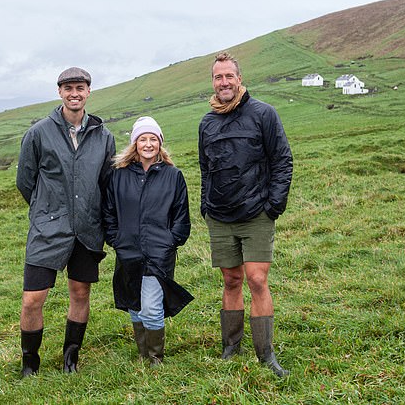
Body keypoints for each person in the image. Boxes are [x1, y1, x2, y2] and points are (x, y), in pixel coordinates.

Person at [16, 67, 116, 376]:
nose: (74, 93)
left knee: (80, 293)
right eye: (68, 87)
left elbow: (106, 182)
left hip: (87, 229)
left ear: (89, 92)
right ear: (60, 92)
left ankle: (70, 358)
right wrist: (47, 211)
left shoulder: (103, 136)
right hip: (48, 229)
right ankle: (30, 361)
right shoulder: (39, 132)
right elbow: (26, 181)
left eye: (80, 87)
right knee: (33, 299)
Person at [198, 52, 293, 377]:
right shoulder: (207, 122)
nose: (223, 82)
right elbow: (205, 169)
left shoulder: (263, 113)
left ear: (239, 79)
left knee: (256, 279)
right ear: (213, 82)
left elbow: (282, 160)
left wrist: (273, 206)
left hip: (256, 214)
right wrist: (205, 205)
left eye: (228, 76)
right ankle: (231, 346)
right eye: (217, 77)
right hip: (220, 215)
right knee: (231, 279)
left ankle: (265, 354)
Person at [103, 116, 192, 367]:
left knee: (152, 307)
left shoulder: (173, 176)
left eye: (153, 139)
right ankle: (143, 353)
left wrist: (170, 241)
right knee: (134, 302)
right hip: (128, 251)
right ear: (135, 143)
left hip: (158, 253)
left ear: (160, 144)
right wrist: (116, 239)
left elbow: (181, 215)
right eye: (143, 139)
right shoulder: (118, 175)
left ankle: (155, 358)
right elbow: (109, 212)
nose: (148, 143)